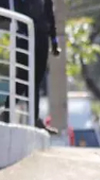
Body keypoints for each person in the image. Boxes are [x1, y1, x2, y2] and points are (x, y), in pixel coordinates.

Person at [0, 0, 60, 134]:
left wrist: (54, 41)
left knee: (37, 80)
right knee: (23, 78)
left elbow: (49, 15)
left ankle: (34, 118)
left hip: (42, 38)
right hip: (24, 37)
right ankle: (7, 113)